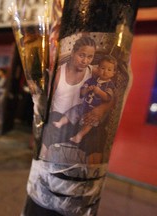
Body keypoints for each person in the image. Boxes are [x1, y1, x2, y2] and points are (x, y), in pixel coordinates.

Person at [23, 36, 114, 215]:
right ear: (73, 53)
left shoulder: (93, 71)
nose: (85, 60)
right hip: (59, 116)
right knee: (51, 137)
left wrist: (102, 109)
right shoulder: (58, 73)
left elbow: (110, 95)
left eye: (89, 57)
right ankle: (44, 187)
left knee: (98, 137)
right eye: (82, 55)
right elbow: (43, 103)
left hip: (82, 115)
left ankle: (87, 194)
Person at [52, 55, 117, 144]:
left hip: (93, 109)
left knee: (90, 122)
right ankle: (60, 123)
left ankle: (79, 136)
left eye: (109, 70)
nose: (105, 71)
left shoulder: (109, 85)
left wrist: (99, 92)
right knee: (73, 111)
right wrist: (87, 90)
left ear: (113, 73)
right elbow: (82, 92)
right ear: (98, 69)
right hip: (84, 105)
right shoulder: (92, 80)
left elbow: (108, 98)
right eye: (102, 68)